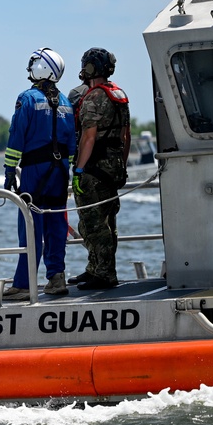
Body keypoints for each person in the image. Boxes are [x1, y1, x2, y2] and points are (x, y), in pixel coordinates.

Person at [2, 48, 77, 301]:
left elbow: (17, 136)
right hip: (59, 173)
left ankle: (24, 284)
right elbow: (70, 144)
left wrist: (10, 170)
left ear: (43, 68)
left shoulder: (28, 98)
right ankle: (57, 278)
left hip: (34, 171)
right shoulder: (66, 102)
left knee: (30, 224)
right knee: (57, 223)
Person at [70, 47, 131, 290]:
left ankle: (104, 274)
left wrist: (79, 169)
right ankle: (95, 268)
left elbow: (88, 138)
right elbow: (126, 136)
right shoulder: (118, 94)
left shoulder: (94, 97)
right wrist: (122, 166)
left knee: (92, 223)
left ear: (91, 67)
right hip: (113, 168)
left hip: (94, 169)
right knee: (108, 220)